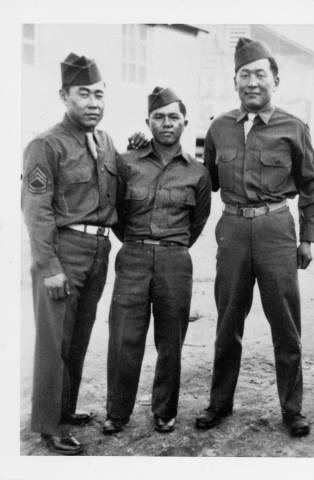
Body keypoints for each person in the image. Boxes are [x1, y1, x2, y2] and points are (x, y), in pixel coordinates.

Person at [195, 38, 314, 437]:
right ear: (234, 81)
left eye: (260, 74)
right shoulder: (218, 128)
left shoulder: (293, 127)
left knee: (285, 325)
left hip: (276, 232)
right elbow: (206, 182)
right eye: (244, 75)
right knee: (227, 321)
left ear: (275, 79)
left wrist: (307, 238)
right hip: (232, 230)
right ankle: (219, 403)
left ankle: (292, 409)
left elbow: (310, 186)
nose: (252, 82)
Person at [22, 53, 119, 454]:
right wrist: (50, 267)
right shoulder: (45, 145)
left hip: (98, 249)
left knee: (78, 338)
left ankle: (66, 408)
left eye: (99, 94)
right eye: (84, 93)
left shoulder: (104, 140)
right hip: (63, 252)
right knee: (54, 343)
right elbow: (35, 208)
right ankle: (51, 425)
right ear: (64, 95)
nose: (93, 102)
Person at [102, 87, 211, 435]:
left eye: (173, 117)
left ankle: (165, 411)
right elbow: (116, 212)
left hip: (175, 260)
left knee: (170, 341)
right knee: (124, 337)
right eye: (159, 117)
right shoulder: (126, 163)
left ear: (185, 122)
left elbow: (199, 222)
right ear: (148, 121)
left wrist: (170, 247)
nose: (166, 123)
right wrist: (137, 244)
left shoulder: (198, 173)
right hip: (132, 255)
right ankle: (117, 412)